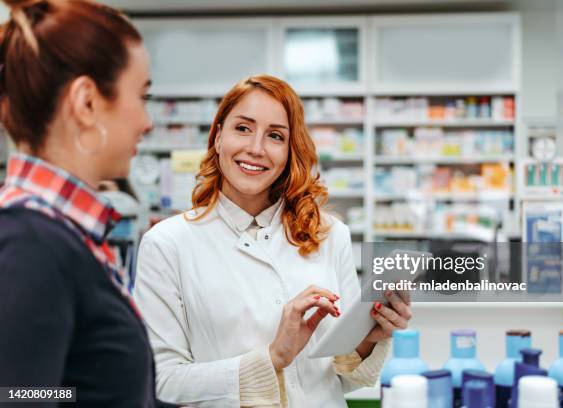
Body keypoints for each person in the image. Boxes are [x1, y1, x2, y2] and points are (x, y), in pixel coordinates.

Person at [134, 75, 412, 407]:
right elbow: (161, 382)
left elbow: (341, 380)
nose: (256, 148)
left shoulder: (330, 235)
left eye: (275, 136)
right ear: (218, 136)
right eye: (243, 128)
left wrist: (367, 340)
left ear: (289, 151)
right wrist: (272, 358)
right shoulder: (167, 244)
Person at [0, 1, 175, 406]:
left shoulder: (62, 234)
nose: (147, 122)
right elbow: (17, 394)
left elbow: (62, 384)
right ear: (87, 102)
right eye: (141, 96)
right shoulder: (31, 246)